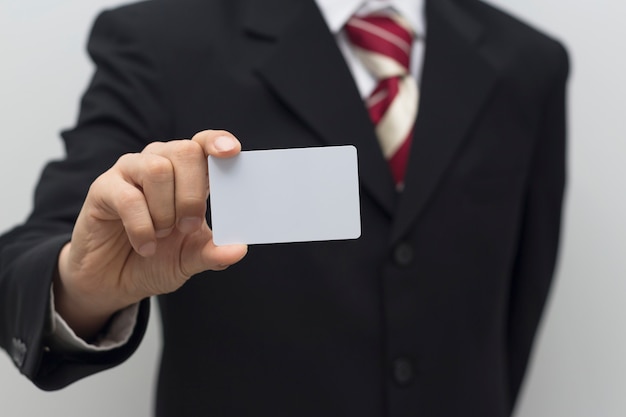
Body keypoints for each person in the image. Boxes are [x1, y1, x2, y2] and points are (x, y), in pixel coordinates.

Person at [0, 0, 568, 416]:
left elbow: (522, 299)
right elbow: (32, 254)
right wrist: (84, 284)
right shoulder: (160, 42)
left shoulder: (529, 65)